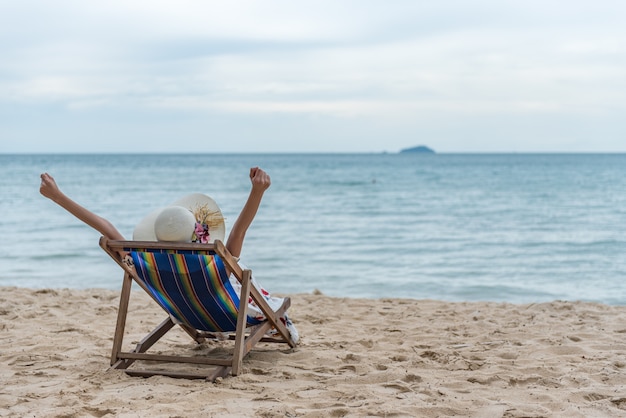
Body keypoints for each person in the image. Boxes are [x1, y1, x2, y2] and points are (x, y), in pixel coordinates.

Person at [39, 168, 299, 344]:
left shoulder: (143, 262)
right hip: (229, 316)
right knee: (245, 281)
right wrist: (257, 191)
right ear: (199, 235)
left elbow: (105, 228)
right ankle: (280, 322)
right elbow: (240, 229)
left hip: (189, 314)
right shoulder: (217, 264)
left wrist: (58, 196)